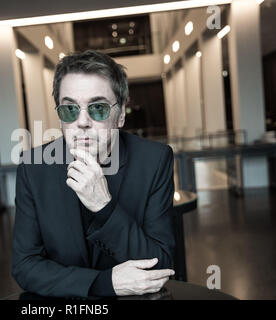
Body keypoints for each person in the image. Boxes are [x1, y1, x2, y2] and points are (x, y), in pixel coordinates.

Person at [12, 50, 175, 298]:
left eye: (98, 108)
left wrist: (104, 206)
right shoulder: (33, 167)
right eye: (70, 109)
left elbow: (160, 264)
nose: (83, 121)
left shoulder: (154, 160)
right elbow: (25, 266)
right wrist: (103, 283)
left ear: (120, 115)